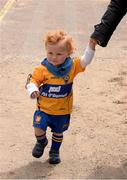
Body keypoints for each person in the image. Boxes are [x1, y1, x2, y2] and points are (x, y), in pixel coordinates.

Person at [26, 30, 96, 164]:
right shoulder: (43, 68)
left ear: (68, 53)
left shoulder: (72, 67)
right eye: (50, 53)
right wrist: (33, 89)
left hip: (62, 111)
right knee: (38, 128)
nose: (53, 57)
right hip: (44, 109)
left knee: (58, 133)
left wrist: (91, 46)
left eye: (59, 54)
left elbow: (85, 60)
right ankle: (41, 142)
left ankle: (54, 151)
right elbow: (33, 80)